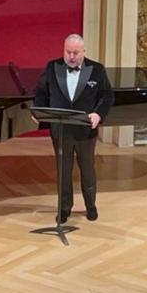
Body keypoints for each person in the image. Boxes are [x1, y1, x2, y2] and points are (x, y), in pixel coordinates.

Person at [33, 34, 113, 223]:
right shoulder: (52, 67)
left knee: (87, 169)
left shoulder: (97, 70)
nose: (71, 56)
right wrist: (38, 112)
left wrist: (98, 114)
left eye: (75, 53)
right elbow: (41, 91)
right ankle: (64, 208)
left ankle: (90, 206)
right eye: (68, 52)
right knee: (63, 170)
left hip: (85, 131)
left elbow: (107, 96)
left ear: (84, 52)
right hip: (61, 130)